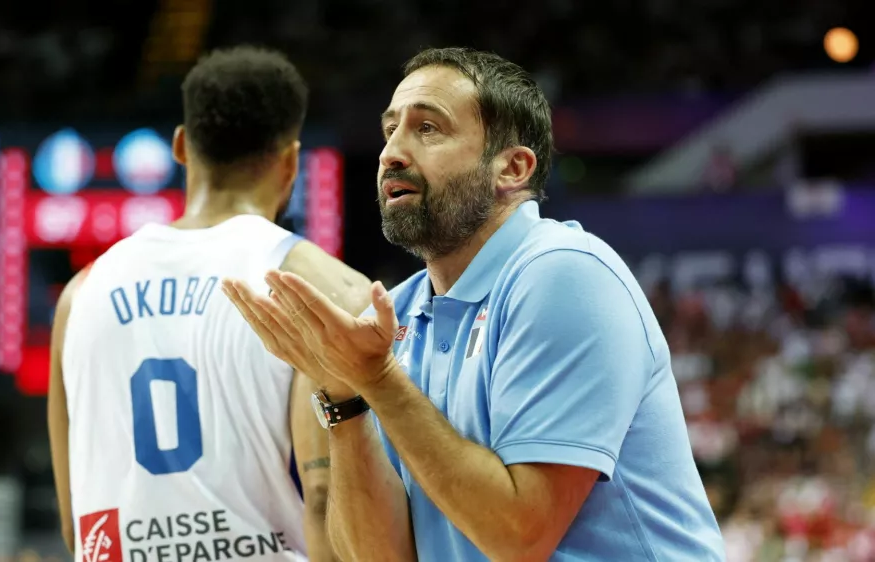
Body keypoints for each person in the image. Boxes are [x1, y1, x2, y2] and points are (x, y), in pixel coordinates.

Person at [222, 47, 726, 561]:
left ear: (512, 168)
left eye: (428, 129)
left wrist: (377, 381)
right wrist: (345, 395)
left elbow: (520, 536)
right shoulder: (398, 314)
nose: (390, 153)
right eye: (389, 130)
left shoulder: (563, 273)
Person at [47, 46, 369, 562]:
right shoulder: (324, 287)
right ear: (290, 160)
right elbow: (331, 502)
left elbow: (75, 523)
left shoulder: (77, 295)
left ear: (180, 145)